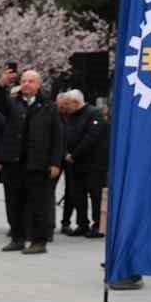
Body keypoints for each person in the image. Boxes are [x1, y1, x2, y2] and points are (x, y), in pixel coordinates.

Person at [0, 69, 61, 255]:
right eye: (23, 81)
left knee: (38, 204)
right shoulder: (13, 103)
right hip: (14, 162)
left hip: (38, 163)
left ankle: (39, 241)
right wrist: (1, 84)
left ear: (38, 85)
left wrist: (55, 162)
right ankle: (17, 238)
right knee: (14, 203)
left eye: (31, 81)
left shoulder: (48, 106)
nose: (26, 84)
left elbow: (57, 136)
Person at [59, 90, 106, 237]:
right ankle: (82, 223)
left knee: (95, 195)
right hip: (74, 163)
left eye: (67, 104)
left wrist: (74, 154)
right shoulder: (70, 115)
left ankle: (98, 225)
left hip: (92, 163)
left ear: (76, 102)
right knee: (78, 195)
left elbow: (91, 137)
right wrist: (65, 152)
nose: (65, 107)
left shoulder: (94, 113)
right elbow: (64, 135)